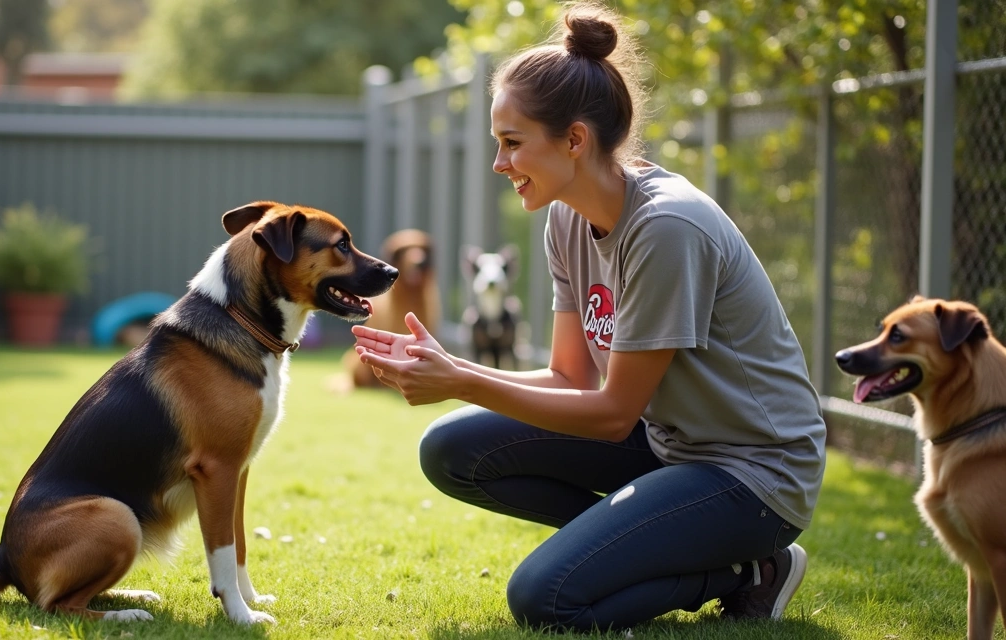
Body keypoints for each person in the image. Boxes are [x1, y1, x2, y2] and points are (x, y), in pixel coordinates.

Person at [351, 1, 826, 633]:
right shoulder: (566, 219)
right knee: (451, 448)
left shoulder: (667, 227)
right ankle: (634, 548)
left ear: (574, 140)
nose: (500, 164)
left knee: (545, 600)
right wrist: (449, 368)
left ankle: (750, 570)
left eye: (512, 143)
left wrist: (463, 380)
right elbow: (571, 377)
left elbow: (609, 413)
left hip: (752, 472)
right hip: (669, 443)